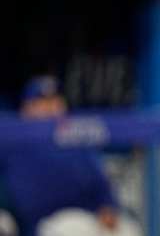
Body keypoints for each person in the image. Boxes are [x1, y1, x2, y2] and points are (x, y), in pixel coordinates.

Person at [1, 76, 140, 236]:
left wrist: (108, 206)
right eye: (43, 102)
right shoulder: (13, 137)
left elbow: (100, 182)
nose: (51, 108)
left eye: (55, 101)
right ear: (26, 108)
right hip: (49, 222)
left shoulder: (75, 138)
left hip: (88, 217)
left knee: (129, 230)